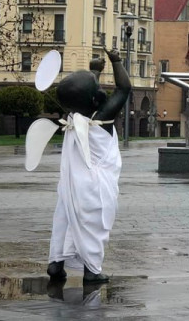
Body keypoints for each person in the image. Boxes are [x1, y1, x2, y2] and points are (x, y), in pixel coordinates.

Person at [47, 47, 131, 285]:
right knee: (93, 226)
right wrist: (116, 61)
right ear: (95, 99)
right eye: (98, 88)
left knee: (65, 221)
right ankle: (92, 271)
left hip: (71, 184)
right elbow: (124, 88)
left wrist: (95, 70)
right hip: (95, 186)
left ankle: (56, 264)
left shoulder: (73, 116)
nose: (102, 88)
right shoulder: (101, 118)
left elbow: (86, 92)